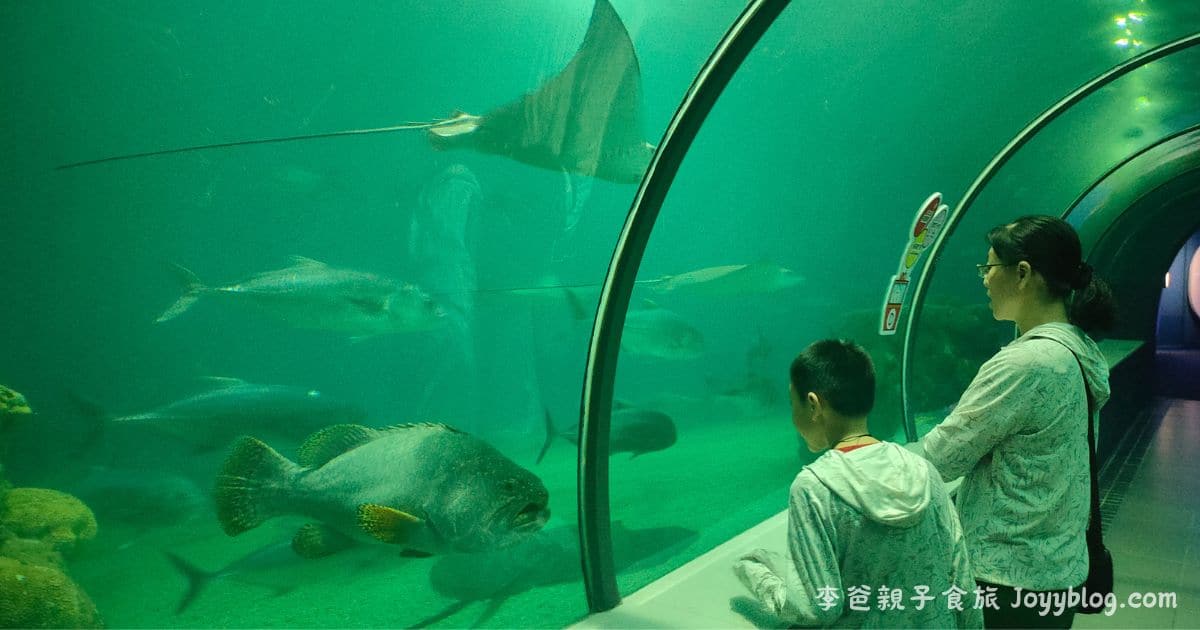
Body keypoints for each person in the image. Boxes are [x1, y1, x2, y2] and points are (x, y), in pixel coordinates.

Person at [915, 215, 1116, 628]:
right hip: (1057, 568)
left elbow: (940, 458)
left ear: (1022, 273)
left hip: (1007, 582)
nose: (984, 280)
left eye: (988, 268)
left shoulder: (1025, 363)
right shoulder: (1078, 348)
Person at [734, 339, 981, 628]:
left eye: (793, 404)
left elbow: (817, 607)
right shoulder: (923, 469)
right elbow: (962, 580)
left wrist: (757, 574)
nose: (792, 417)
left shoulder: (814, 487)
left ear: (813, 404)